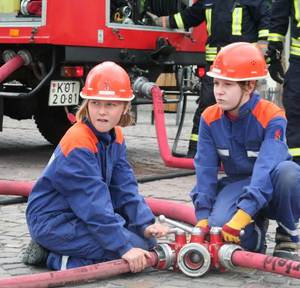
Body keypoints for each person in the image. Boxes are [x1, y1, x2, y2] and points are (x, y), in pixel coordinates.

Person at [23, 61, 169, 271]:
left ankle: (65, 250)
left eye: (110, 105)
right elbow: (92, 203)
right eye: (96, 103)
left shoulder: (115, 136)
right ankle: (51, 257)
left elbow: (125, 188)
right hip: (53, 222)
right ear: (87, 104)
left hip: (79, 215)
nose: (102, 111)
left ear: (125, 107)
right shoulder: (78, 141)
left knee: (147, 242)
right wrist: (123, 247)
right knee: (132, 250)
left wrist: (145, 224)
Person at [190, 42, 300, 260]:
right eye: (216, 83)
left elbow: (267, 166)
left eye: (227, 85)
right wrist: (203, 216)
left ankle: (287, 234)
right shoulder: (209, 118)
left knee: (290, 173)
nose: (218, 92)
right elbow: (205, 169)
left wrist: (244, 213)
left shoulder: (272, 116)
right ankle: (255, 236)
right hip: (238, 185)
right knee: (218, 228)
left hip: (272, 184)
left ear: (249, 86)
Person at [148, 0, 270, 157]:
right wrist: (160, 21)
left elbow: (266, 18)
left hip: (243, 66)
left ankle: (244, 153)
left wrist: (263, 47)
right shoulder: (208, 1)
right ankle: (196, 152)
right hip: (215, 66)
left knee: (244, 108)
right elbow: (188, 17)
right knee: (207, 105)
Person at [267, 0, 300, 164]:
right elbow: (279, 15)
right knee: (295, 112)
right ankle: (297, 165)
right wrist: (274, 54)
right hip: (299, 62)